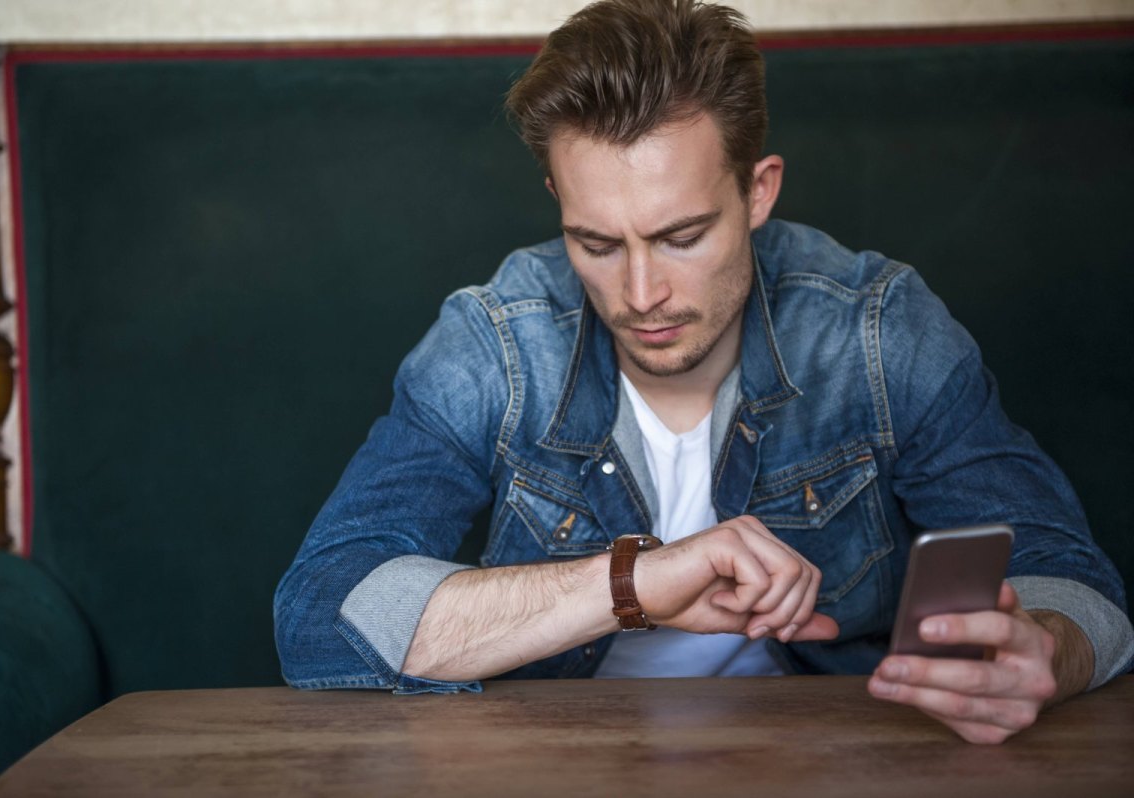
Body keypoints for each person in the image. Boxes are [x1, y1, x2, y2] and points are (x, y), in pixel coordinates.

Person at [274, 0, 1132, 744]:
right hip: (556, 765)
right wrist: (633, 581)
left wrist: (1045, 653)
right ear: (556, 201)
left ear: (758, 192)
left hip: (826, 764)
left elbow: (1071, 577)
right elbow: (321, 613)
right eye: (597, 244)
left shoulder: (877, 331)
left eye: (682, 236)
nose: (641, 293)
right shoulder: (495, 343)